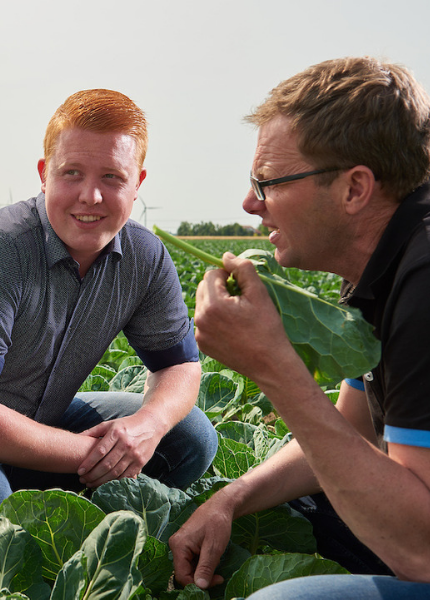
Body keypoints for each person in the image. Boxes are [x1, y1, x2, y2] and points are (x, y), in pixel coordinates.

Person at [0, 88, 218, 564]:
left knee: (189, 436)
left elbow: (180, 367)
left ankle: (61, 546)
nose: (90, 196)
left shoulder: (145, 256)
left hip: (35, 418)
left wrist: (147, 427)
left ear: (139, 183)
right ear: (43, 173)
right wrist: (89, 455)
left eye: (112, 177)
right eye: (72, 173)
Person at [169, 57, 430, 599]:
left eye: (268, 182)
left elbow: (422, 551)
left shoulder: (424, 284)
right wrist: (230, 499)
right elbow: (353, 427)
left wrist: (271, 366)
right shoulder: (379, 262)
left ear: (354, 189)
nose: (249, 203)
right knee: (289, 505)